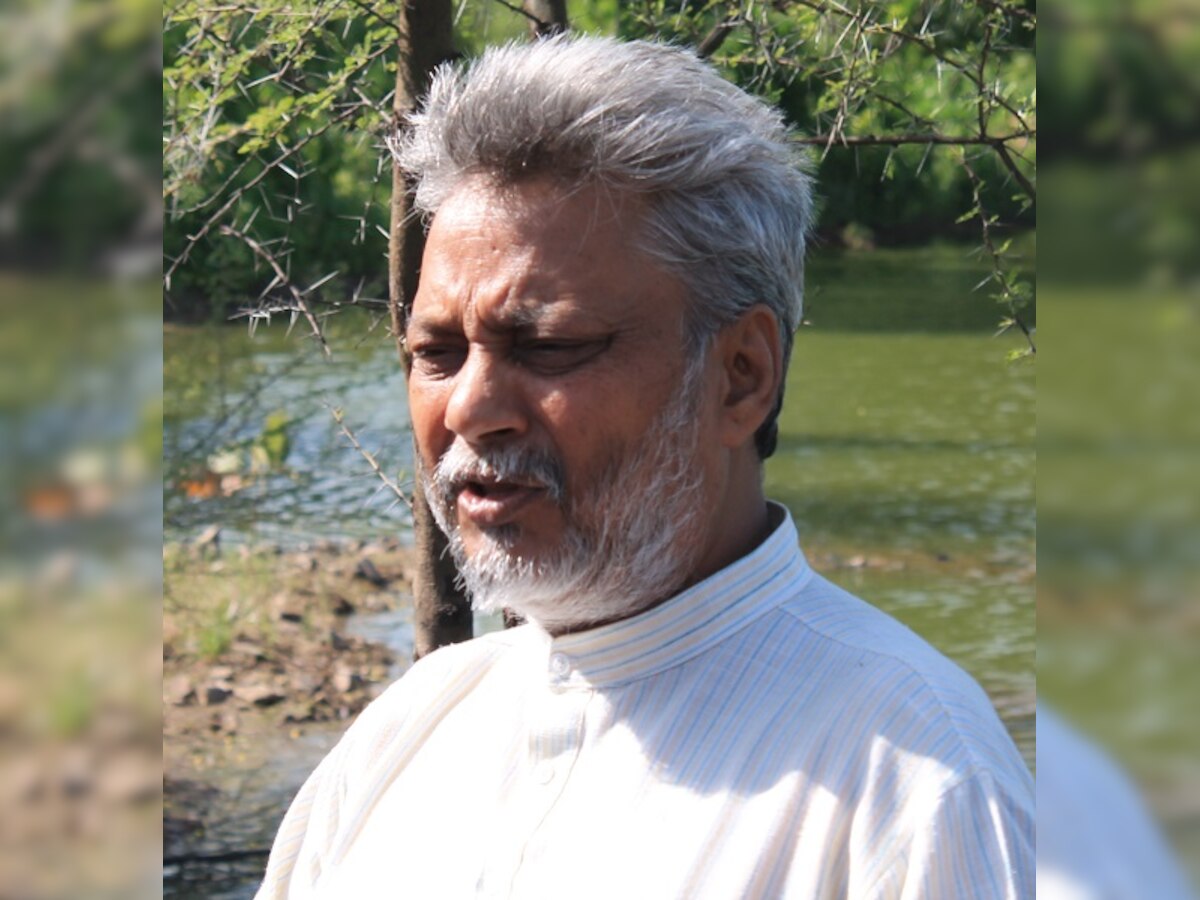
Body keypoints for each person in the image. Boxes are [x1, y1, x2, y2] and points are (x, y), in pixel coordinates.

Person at [256, 34, 1033, 899]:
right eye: (436, 352)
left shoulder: (911, 782)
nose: (470, 407)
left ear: (742, 377)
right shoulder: (406, 737)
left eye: (549, 346)